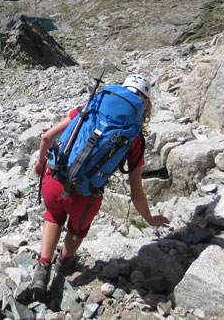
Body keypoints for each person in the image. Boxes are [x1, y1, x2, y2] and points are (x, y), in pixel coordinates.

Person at [31, 74, 170, 293]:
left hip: (54, 179)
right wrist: (149, 219)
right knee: (77, 230)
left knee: (53, 216)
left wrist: (41, 165)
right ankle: (64, 262)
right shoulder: (135, 138)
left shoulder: (90, 107)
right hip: (85, 194)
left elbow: (47, 137)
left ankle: (42, 268)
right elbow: (136, 193)